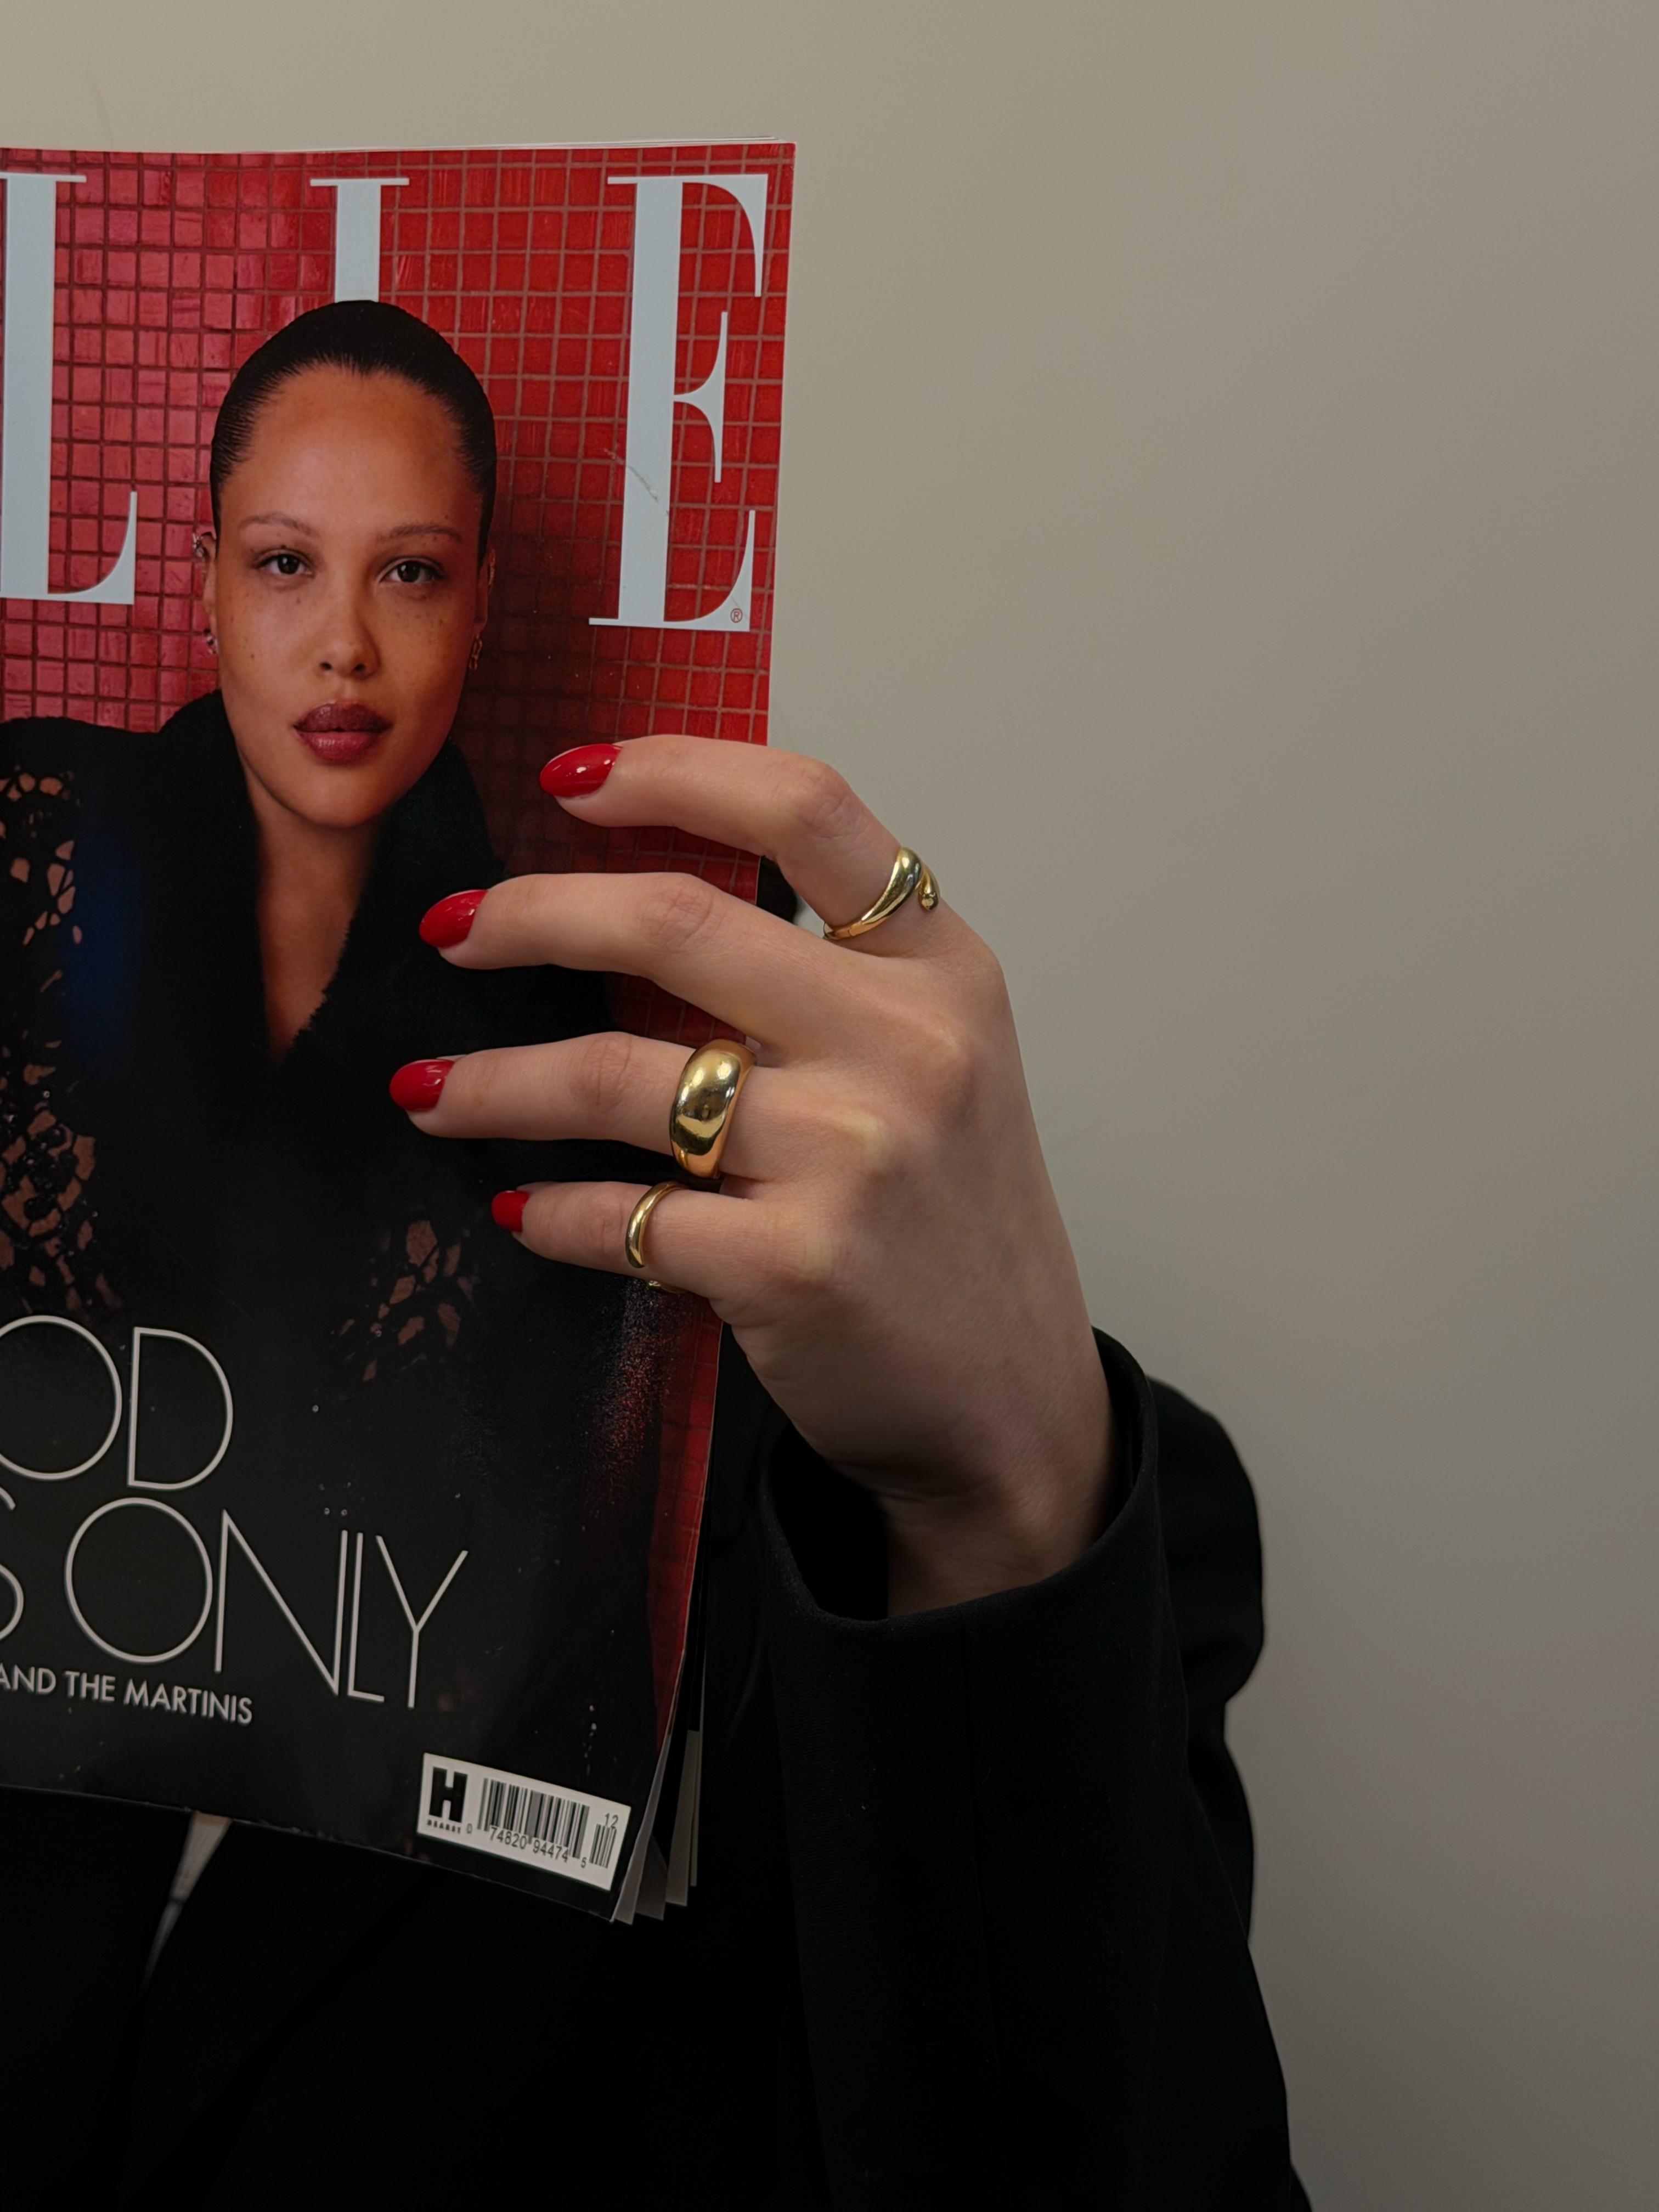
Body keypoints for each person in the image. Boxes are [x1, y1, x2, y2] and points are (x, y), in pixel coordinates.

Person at [0, 303, 1308, 2207]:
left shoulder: (939, 1530)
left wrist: (996, 1492)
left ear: (486, 606)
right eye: (285, 562)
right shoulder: (61, 969)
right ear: (197, 583)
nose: (343, 644)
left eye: (412, 571)